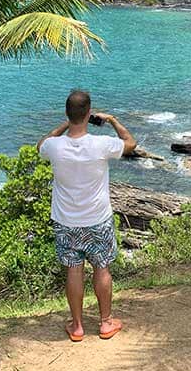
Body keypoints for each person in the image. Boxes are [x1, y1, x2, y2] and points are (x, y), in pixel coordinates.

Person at [37, 90, 137, 342]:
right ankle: (105, 322)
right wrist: (112, 120)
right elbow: (130, 143)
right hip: (97, 219)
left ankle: (78, 326)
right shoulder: (101, 145)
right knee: (102, 267)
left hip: (66, 221)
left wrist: (65, 124)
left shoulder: (54, 146)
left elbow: (42, 143)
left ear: (67, 113)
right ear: (89, 113)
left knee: (74, 270)